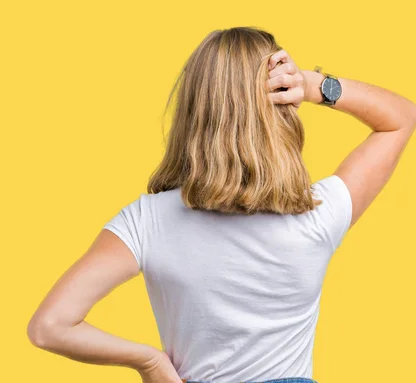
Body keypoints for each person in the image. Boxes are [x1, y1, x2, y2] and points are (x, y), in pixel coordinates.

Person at [26, 27, 416, 383]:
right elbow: (400, 117)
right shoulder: (317, 214)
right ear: (280, 107)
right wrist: (312, 86)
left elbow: (50, 326)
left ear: (195, 108)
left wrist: (149, 361)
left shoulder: (148, 221)